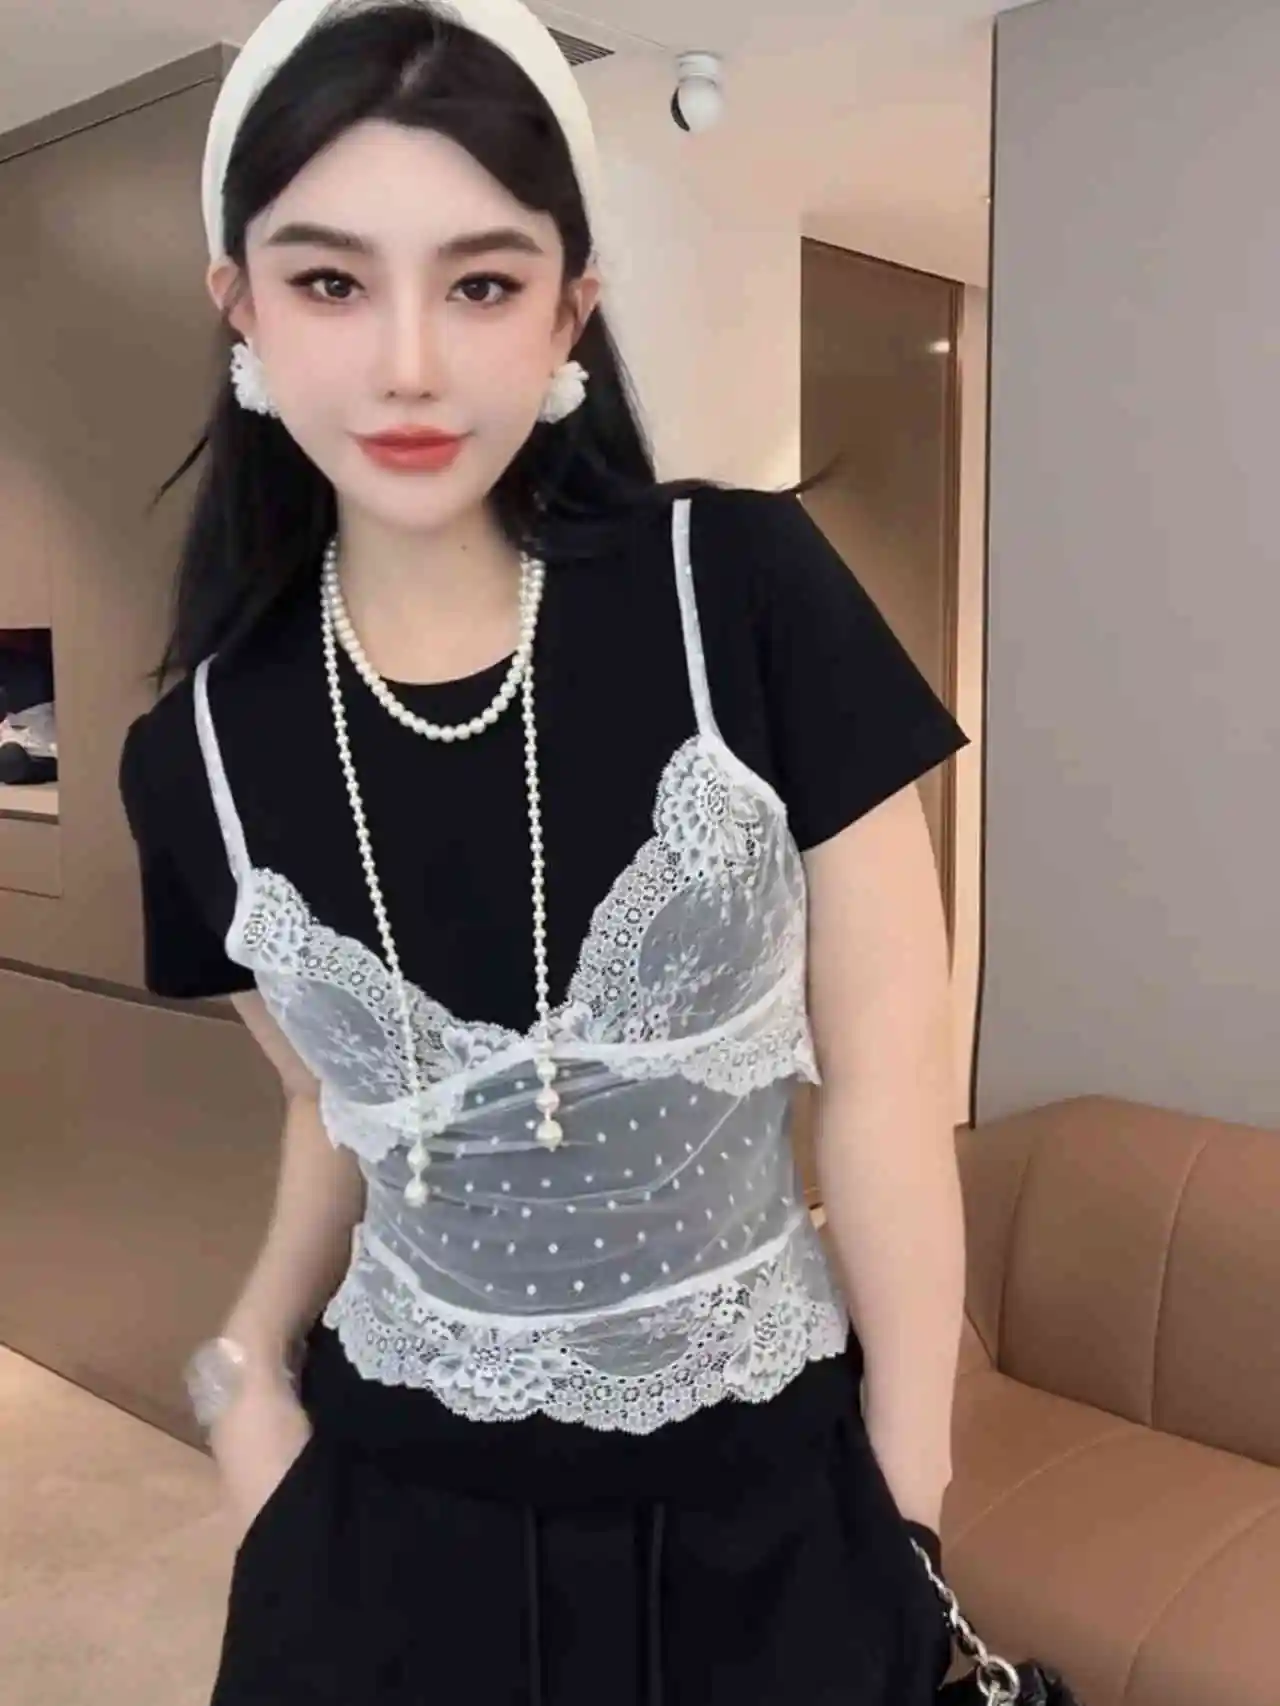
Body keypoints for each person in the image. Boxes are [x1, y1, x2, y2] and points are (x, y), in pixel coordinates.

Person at [118, 1, 971, 1700]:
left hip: (769, 1522)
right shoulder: (193, 755)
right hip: (381, 1533)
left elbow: (890, 1088)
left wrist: (911, 1497)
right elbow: (330, 1110)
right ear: (241, 305)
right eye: (331, 280)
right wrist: (247, 1376)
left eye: (482, 283)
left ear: (571, 308)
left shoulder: (740, 591)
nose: (409, 363)